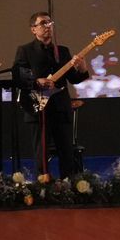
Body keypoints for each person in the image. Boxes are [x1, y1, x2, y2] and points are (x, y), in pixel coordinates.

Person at [14, 12, 89, 177]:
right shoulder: (25, 50)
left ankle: (68, 185)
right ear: (33, 29)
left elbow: (74, 79)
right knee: (41, 154)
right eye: (43, 23)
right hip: (38, 108)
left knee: (67, 153)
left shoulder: (62, 51)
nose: (47, 26)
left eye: (49, 23)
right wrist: (37, 82)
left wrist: (82, 68)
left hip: (61, 108)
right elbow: (19, 77)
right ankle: (43, 186)